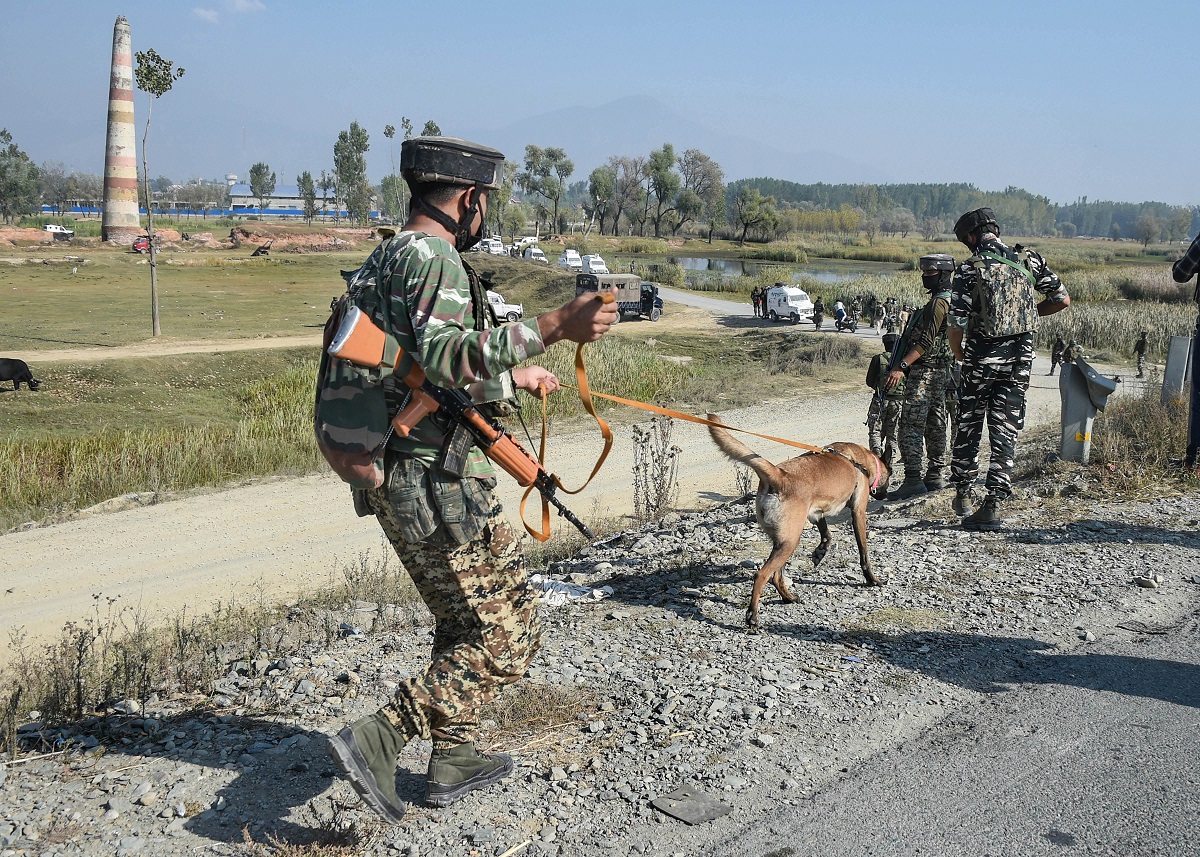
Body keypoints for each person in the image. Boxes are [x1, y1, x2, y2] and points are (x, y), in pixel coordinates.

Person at [326, 136, 618, 823]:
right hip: (436, 481)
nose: (484, 213)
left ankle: (453, 752)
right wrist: (556, 326)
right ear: (469, 200)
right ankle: (381, 735)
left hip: (402, 473)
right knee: (512, 628)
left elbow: (420, 365)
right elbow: (453, 358)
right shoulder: (434, 261)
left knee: (463, 620)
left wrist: (513, 375)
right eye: (485, 202)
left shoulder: (387, 256)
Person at [947, 208, 1070, 530]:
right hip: (1020, 360)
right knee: (1005, 427)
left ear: (972, 236)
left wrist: (958, 351)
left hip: (980, 359)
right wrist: (1027, 316)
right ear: (996, 229)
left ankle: (962, 490)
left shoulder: (969, 269)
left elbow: (957, 321)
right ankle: (994, 503)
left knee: (969, 421)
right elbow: (1061, 299)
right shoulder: (1030, 260)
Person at [882, 254, 956, 499]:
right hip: (942, 371)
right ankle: (935, 474)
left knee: (910, 425)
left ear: (943, 275)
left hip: (924, 371)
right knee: (936, 423)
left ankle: (913, 478)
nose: (925, 277)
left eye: (930, 273)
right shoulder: (952, 299)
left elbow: (925, 341)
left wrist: (901, 366)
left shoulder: (938, 304)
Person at [865, 332, 905, 478]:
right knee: (893, 434)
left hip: (880, 400)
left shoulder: (878, 359)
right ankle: (889, 463)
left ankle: (876, 459)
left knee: (875, 431)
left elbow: (869, 381)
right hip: (899, 401)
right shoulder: (904, 361)